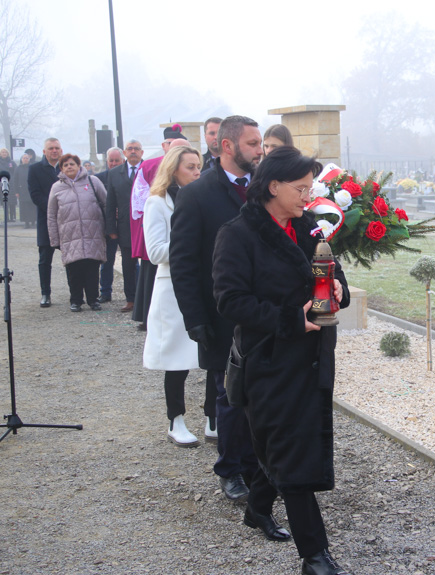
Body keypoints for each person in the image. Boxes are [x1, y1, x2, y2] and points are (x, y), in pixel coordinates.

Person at [212, 146, 352, 575]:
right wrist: (291, 319)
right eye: (300, 188)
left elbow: (332, 272)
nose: (308, 197)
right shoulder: (237, 234)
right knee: (292, 453)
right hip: (269, 362)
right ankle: (315, 556)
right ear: (273, 187)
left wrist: (340, 289)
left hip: (311, 358)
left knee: (282, 445)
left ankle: (256, 508)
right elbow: (230, 301)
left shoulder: (307, 225)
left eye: (311, 188)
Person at [170, 115, 263, 502]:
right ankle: (231, 469)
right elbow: (184, 262)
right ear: (228, 147)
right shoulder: (196, 195)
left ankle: (259, 464)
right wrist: (195, 319)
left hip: (262, 311)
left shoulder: (263, 187)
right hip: (219, 314)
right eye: (253, 144)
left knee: (261, 394)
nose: (261, 151)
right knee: (228, 396)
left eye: (261, 144)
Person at [142, 146, 203, 446]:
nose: (196, 172)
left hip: (203, 283)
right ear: (174, 169)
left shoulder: (201, 199)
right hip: (172, 286)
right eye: (190, 167)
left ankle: (213, 418)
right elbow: (154, 252)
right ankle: (175, 419)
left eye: (198, 166)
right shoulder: (157, 202)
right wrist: (192, 246)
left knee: (210, 355)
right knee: (176, 359)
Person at [131, 126, 187, 330]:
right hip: (161, 242)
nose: (197, 172)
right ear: (165, 146)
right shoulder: (148, 167)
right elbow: (139, 202)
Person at [47, 154, 107, 312]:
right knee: (74, 270)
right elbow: (51, 215)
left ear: (79, 165)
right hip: (69, 235)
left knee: (92, 268)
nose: (69, 167)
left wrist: (108, 229)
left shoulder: (93, 182)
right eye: (65, 165)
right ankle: (76, 300)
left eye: (72, 164)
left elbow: (106, 203)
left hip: (92, 232)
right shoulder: (56, 188)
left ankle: (93, 299)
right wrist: (55, 239)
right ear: (61, 169)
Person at [105, 139, 143, 312]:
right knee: (128, 264)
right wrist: (111, 229)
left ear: (142, 152)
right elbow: (110, 203)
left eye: (136, 149)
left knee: (150, 264)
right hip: (125, 226)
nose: (133, 151)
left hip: (146, 225)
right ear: (124, 153)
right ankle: (131, 299)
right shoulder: (114, 174)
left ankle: (147, 298)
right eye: (130, 149)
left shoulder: (150, 169)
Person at [28, 138, 63, 307]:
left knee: (73, 258)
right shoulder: (35, 169)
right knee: (45, 259)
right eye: (51, 148)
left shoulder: (68, 166)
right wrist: (52, 209)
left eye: (57, 148)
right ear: (44, 151)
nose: (54, 151)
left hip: (67, 219)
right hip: (46, 219)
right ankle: (45, 293)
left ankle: (77, 294)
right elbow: (35, 194)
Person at [96, 147, 125, 303]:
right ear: (107, 162)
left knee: (131, 260)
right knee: (107, 260)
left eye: (117, 161)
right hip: (108, 225)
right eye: (111, 161)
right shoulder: (98, 179)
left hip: (125, 223)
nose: (114, 164)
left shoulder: (129, 176)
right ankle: (105, 291)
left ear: (123, 161)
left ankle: (134, 293)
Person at [0, 149, 17, 221]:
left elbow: (16, 173)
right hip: (2, 185)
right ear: (0, 154)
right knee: (4, 202)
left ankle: (13, 217)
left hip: (12, 185)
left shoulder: (12, 163)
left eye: (5, 152)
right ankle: (6, 218)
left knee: (12, 202)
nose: (4, 153)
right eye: (2, 152)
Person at [15, 154, 35, 228]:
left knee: (32, 207)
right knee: (24, 207)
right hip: (22, 191)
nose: (25, 159)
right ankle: (26, 223)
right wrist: (16, 192)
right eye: (24, 158)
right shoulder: (18, 168)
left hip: (31, 190)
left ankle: (33, 222)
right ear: (21, 159)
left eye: (27, 158)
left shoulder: (32, 168)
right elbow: (15, 180)